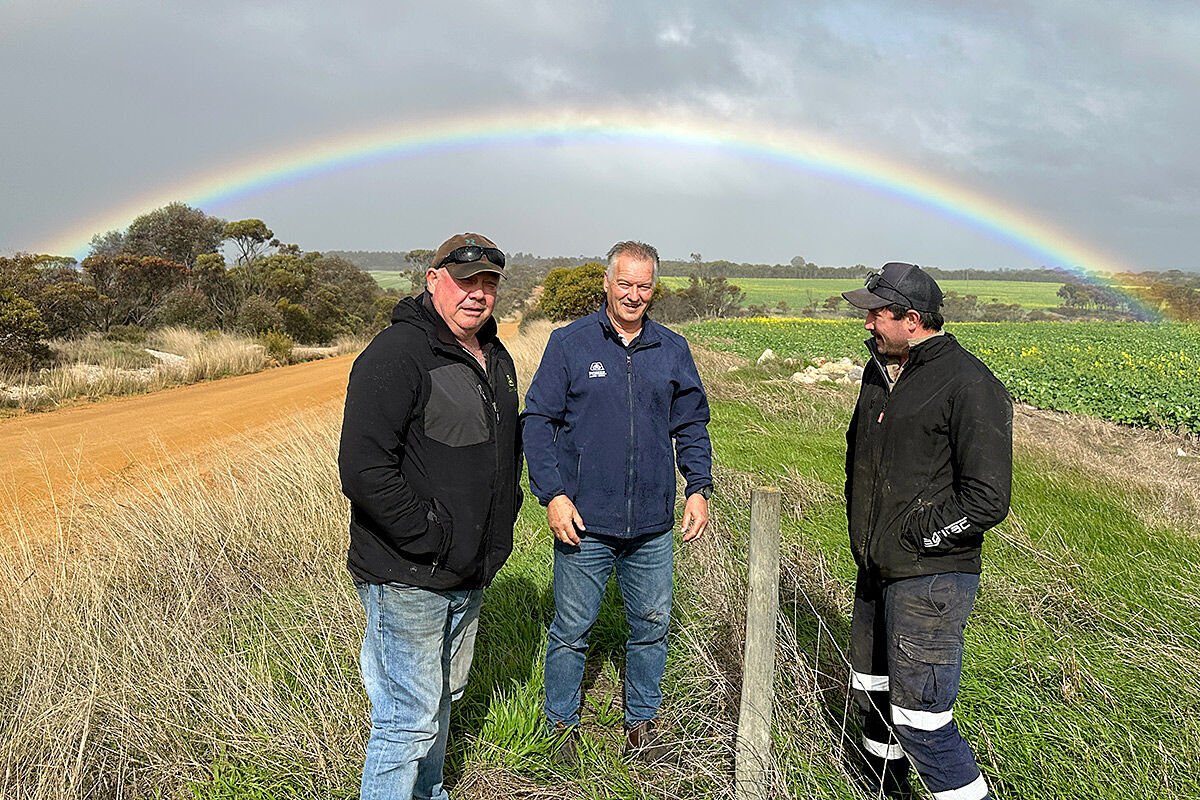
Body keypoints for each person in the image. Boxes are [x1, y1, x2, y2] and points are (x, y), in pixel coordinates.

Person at [338, 232, 522, 800]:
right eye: (466, 281)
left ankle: (430, 791)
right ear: (433, 279)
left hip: (470, 570)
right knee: (406, 719)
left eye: (488, 282)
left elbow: (501, 453)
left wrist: (491, 537)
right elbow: (363, 467)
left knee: (445, 698)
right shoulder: (397, 354)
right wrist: (431, 536)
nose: (478, 294)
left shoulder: (496, 358)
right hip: (409, 574)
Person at [521, 240, 714, 764]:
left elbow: (691, 422)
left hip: (652, 523)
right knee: (571, 630)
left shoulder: (671, 349)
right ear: (607, 284)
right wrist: (553, 494)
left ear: (654, 289)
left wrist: (698, 486)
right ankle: (560, 728)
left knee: (651, 625)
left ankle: (642, 725)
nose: (633, 294)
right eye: (624, 283)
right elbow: (537, 421)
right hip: (584, 521)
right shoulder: (570, 344)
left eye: (643, 285)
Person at [841, 262, 1012, 800]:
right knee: (874, 699)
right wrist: (872, 544)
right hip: (876, 568)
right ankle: (881, 791)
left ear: (911, 319)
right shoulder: (881, 371)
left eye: (876, 314)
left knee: (922, 722)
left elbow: (988, 497)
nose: (867, 323)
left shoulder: (970, 384)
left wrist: (923, 537)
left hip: (931, 578)